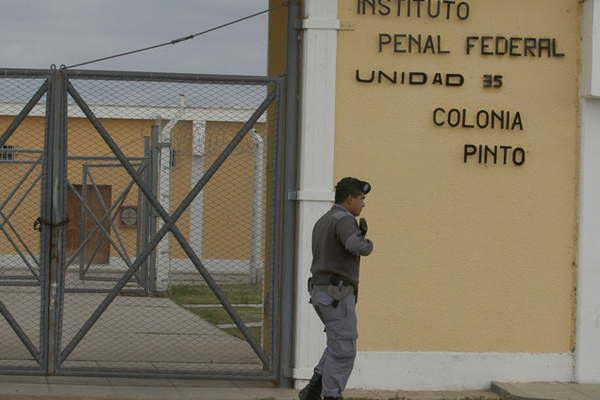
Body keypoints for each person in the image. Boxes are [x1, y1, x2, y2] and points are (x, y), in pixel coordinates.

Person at [298, 177, 374, 400]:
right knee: (344, 348)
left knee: (336, 342)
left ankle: (312, 390)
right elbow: (355, 246)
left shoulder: (325, 219)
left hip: (323, 293)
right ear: (350, 198)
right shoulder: (344, 219)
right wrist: (366, 241)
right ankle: (331, 395)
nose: (363, 203)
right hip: (337, 294)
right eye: (361, 198)